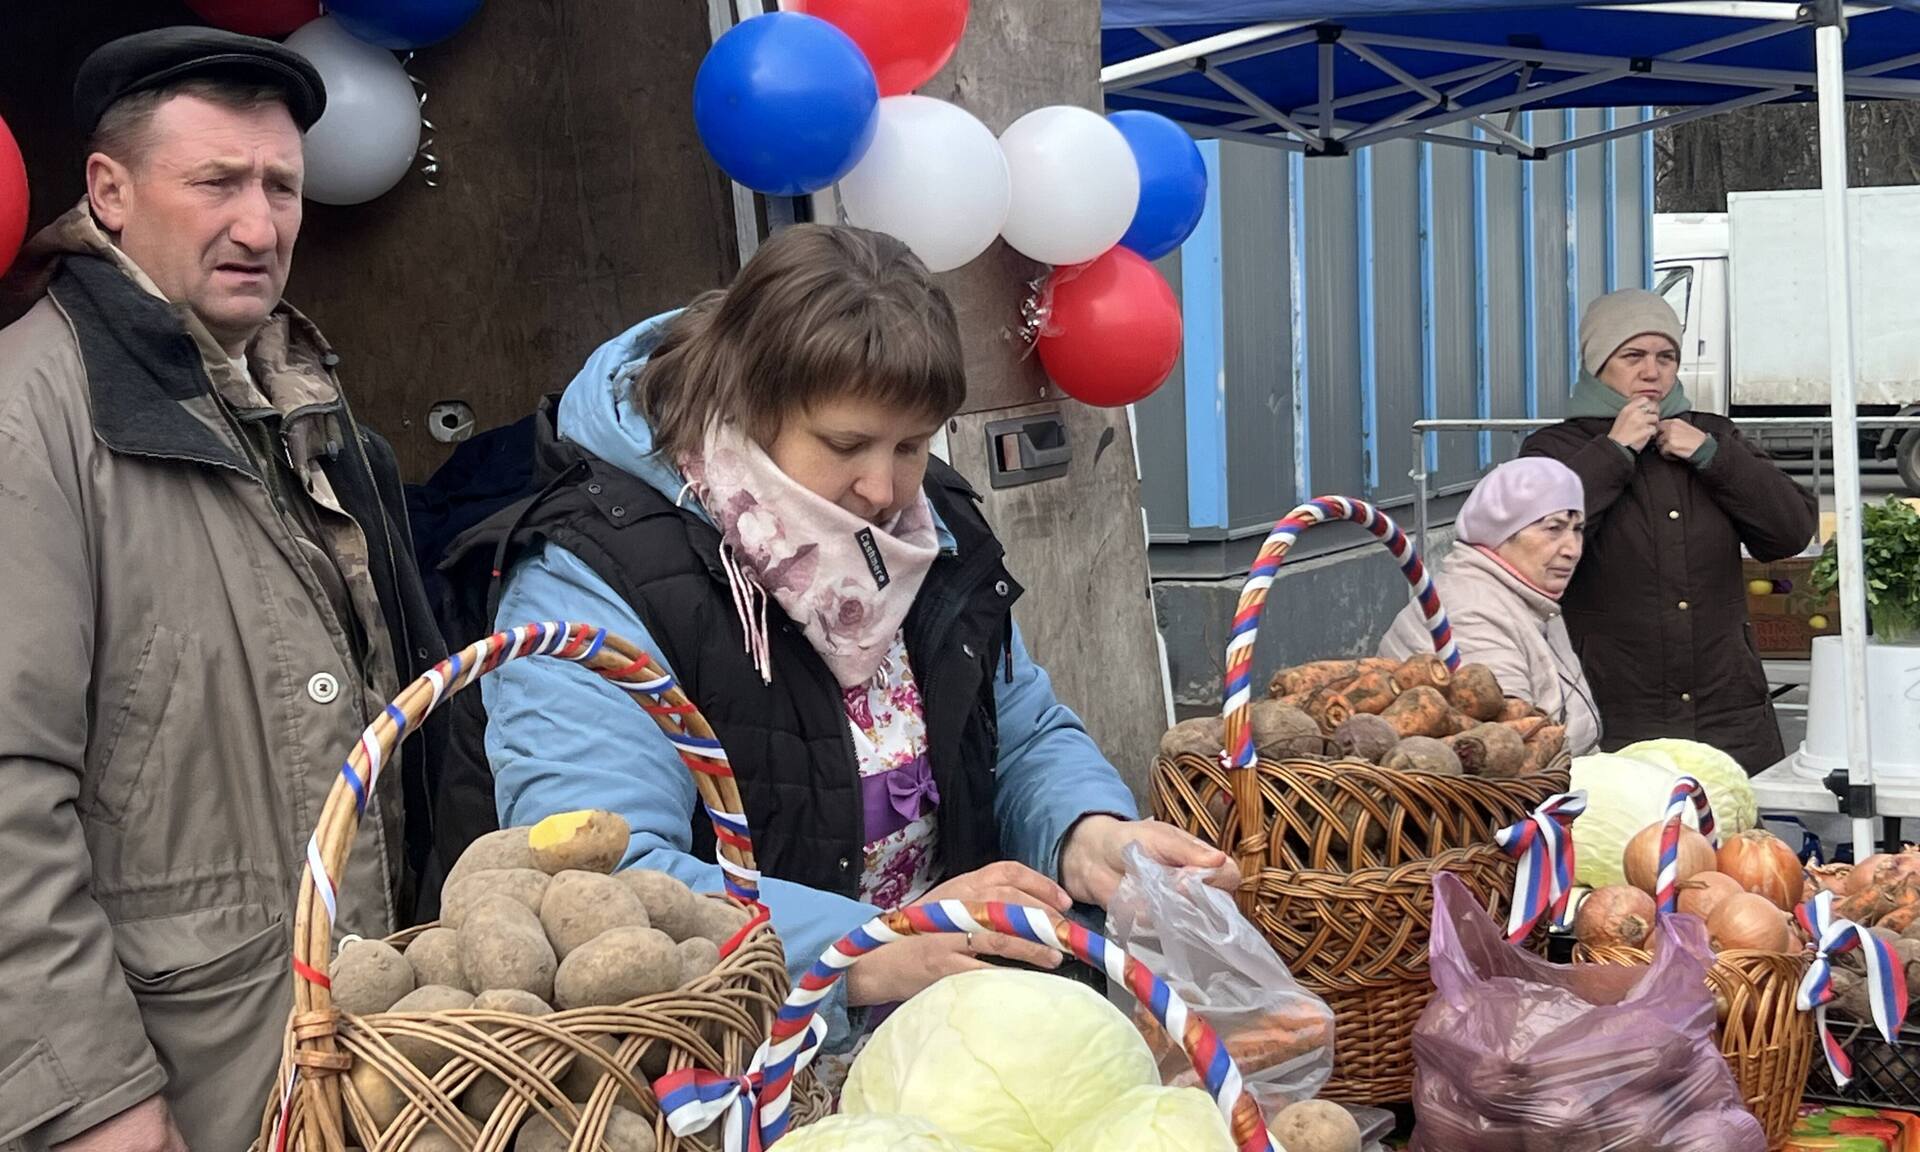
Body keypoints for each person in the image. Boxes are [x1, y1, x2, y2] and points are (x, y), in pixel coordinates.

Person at [464, 223, 1235, 1054]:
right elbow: (603, 884)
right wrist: (859, 950)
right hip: (726, 1063)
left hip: (949, 1030)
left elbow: (1018, 730)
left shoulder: (928, 527)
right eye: (844, 445)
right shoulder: (589, 580)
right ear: (748, 405)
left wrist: (1082, 831)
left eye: (911, 444)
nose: (882, 488)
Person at [0, 29, 446, 1151]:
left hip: (348, 1054)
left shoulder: (305, 405)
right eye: (216, 183)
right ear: (108, 191)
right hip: (177, 1081)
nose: (259, 225)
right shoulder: (27, 417)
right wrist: (90, 1096)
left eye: (280, 187)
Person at [1521, 288, 1817, 773]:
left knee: (1737, 821)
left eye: (1666, 357)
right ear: (1597, 363)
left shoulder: (1715, 434)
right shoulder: (1554, 448)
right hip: (1614, 707)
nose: (1651, 371)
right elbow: (1534, 550)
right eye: (1632, 356)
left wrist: (1713, 457)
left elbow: (1790, 531)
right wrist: (1613, 452)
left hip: (1727, 710)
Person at [1380, 458, 1602, 755]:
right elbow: (1515, 751)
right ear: (1501, 532)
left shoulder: (1532, 600)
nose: (1573, 549)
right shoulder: (1471, 612)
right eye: (1554, 528)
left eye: (1577, 529)